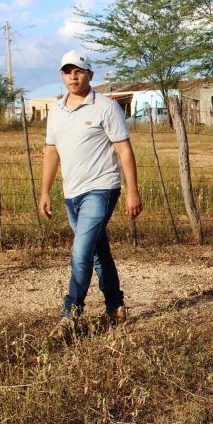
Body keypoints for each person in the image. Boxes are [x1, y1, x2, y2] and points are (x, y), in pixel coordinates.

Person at [40, 50, 142, 337]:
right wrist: (44, 191)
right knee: (97, 251)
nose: (73, 76)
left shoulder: (106, 108)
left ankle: (70, 315)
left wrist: (132, 191)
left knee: (81, 251)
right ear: (62, 75)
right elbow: (50, 152)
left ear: (90, 75)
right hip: (71, 193)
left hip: (102, 188)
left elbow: (124, 150)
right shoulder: (56, 111)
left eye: (79, 71)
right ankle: (115, 307)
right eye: (67, 71)